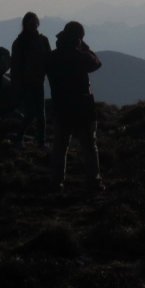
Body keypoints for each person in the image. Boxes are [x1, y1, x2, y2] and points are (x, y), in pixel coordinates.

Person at [46, 21, 103, 192]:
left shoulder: (52, 57)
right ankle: (94, 182)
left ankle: (56, 184)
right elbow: (97, 63)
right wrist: (86, 47)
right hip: (82, 107)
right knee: (89, 147)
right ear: (79, 39)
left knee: (60, 148)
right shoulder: (81, 57)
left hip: (61, 107)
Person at [10, 12, 51, 147]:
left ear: (38, 23)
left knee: (41, 114)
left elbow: (49, 61)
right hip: (25, 83)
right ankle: (19, 139)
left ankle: (40, 142)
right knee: (32, 112)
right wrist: (17, 85)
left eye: (34, 23)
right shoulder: (19, 42)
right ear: (25, 25)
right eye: (30, 24)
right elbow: (15, 65)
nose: (32, 26)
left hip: (39, 82)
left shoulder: (43, 40)